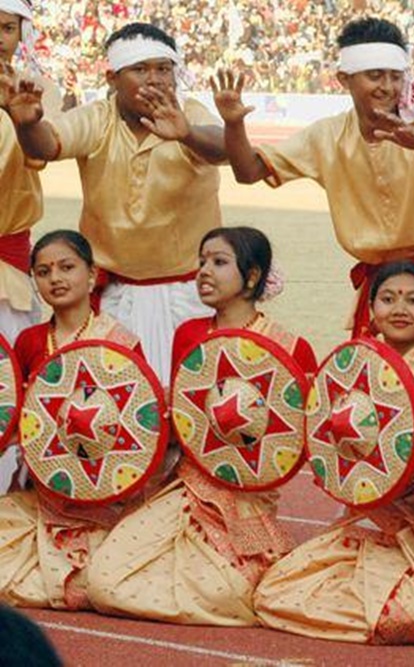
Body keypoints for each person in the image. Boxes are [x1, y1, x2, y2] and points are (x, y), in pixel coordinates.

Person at [214, 16, 414, 364]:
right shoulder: (326, 136)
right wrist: (234, 124)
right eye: (375, 76)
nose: (387, 87)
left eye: (395, 76)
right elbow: (248, 172)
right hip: (384, 295)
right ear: (344, 79)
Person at [87, 227, 315, 627]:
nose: (204, 271)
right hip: (186, 485)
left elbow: (294, 441)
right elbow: (182, 418)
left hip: (246, 496)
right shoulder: (189, 334)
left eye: (219, 262)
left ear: (252, 276)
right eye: (202, 261)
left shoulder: (289, 347)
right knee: (105, 580)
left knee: (230, 588)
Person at [2, 21, 226, 384]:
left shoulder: (190, 113)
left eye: (164, 69)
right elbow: (48, 144)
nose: (154, 80)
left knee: (189, 409)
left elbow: (226, 149)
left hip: (188, 297)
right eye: (140, 69)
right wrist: (27, 124)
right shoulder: (98, 118)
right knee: (114, 411)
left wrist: (186, 133)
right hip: (113, 298)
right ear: (111, 78)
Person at [255, 261, 414, 644]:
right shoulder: (349, 366)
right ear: (371, 310)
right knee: (275, 593)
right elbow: (324, 438)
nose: (400, 308)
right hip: (367, 514)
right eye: (387, 298)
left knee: (401, 619)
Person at [0, 231, 142, 611]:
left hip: (103, 494)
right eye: (43, 271)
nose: (55, 278)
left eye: (67, 267)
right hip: (42, 488)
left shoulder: (120, 341)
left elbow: (138, 427)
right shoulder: (29, 341)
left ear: (92, 275)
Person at [0, 0, 63, 494]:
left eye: (6, 28)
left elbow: (39, 155)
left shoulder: (38, 91)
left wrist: (18, 115)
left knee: (10, 380)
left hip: (8, 266)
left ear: (21, 33)